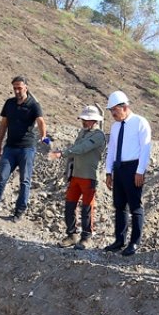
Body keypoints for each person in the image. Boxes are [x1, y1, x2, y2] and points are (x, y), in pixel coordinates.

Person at [0, 76, 47, 220]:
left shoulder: (33, 105)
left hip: (26, 149)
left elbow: (41, 121)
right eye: (15, 88)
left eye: (19, 87)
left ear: (26, 87)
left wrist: (43, 135)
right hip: (10, 148)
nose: (17, 91)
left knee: (25, 180)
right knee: (1, 177)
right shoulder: (9, 103)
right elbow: (3, 124)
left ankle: (19, 211)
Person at [103, 91, 152, 256]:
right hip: (119, 168)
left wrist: (140, 171)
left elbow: (145, 148)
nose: (112, 114)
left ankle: (135, 242)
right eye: (111, 111)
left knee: (135, 206)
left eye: (114, 110)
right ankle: (119, 240)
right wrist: (108, 172)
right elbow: (111, 150)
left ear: (124, 107)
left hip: (133, 168)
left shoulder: (140, 122)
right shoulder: (116, 126)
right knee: (119, 206)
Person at [55, 105, 107, 249]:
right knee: (69, 206)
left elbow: (82, 148)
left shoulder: (98, 135)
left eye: (87, 119)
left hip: (89, 176)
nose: (84, 122)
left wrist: (63, 153)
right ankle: (72, 235)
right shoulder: (82, 132)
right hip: (76, 175)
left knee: (87, 208)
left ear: (94, 120)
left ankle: (86, 238)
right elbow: (77, 148)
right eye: (83, 119)